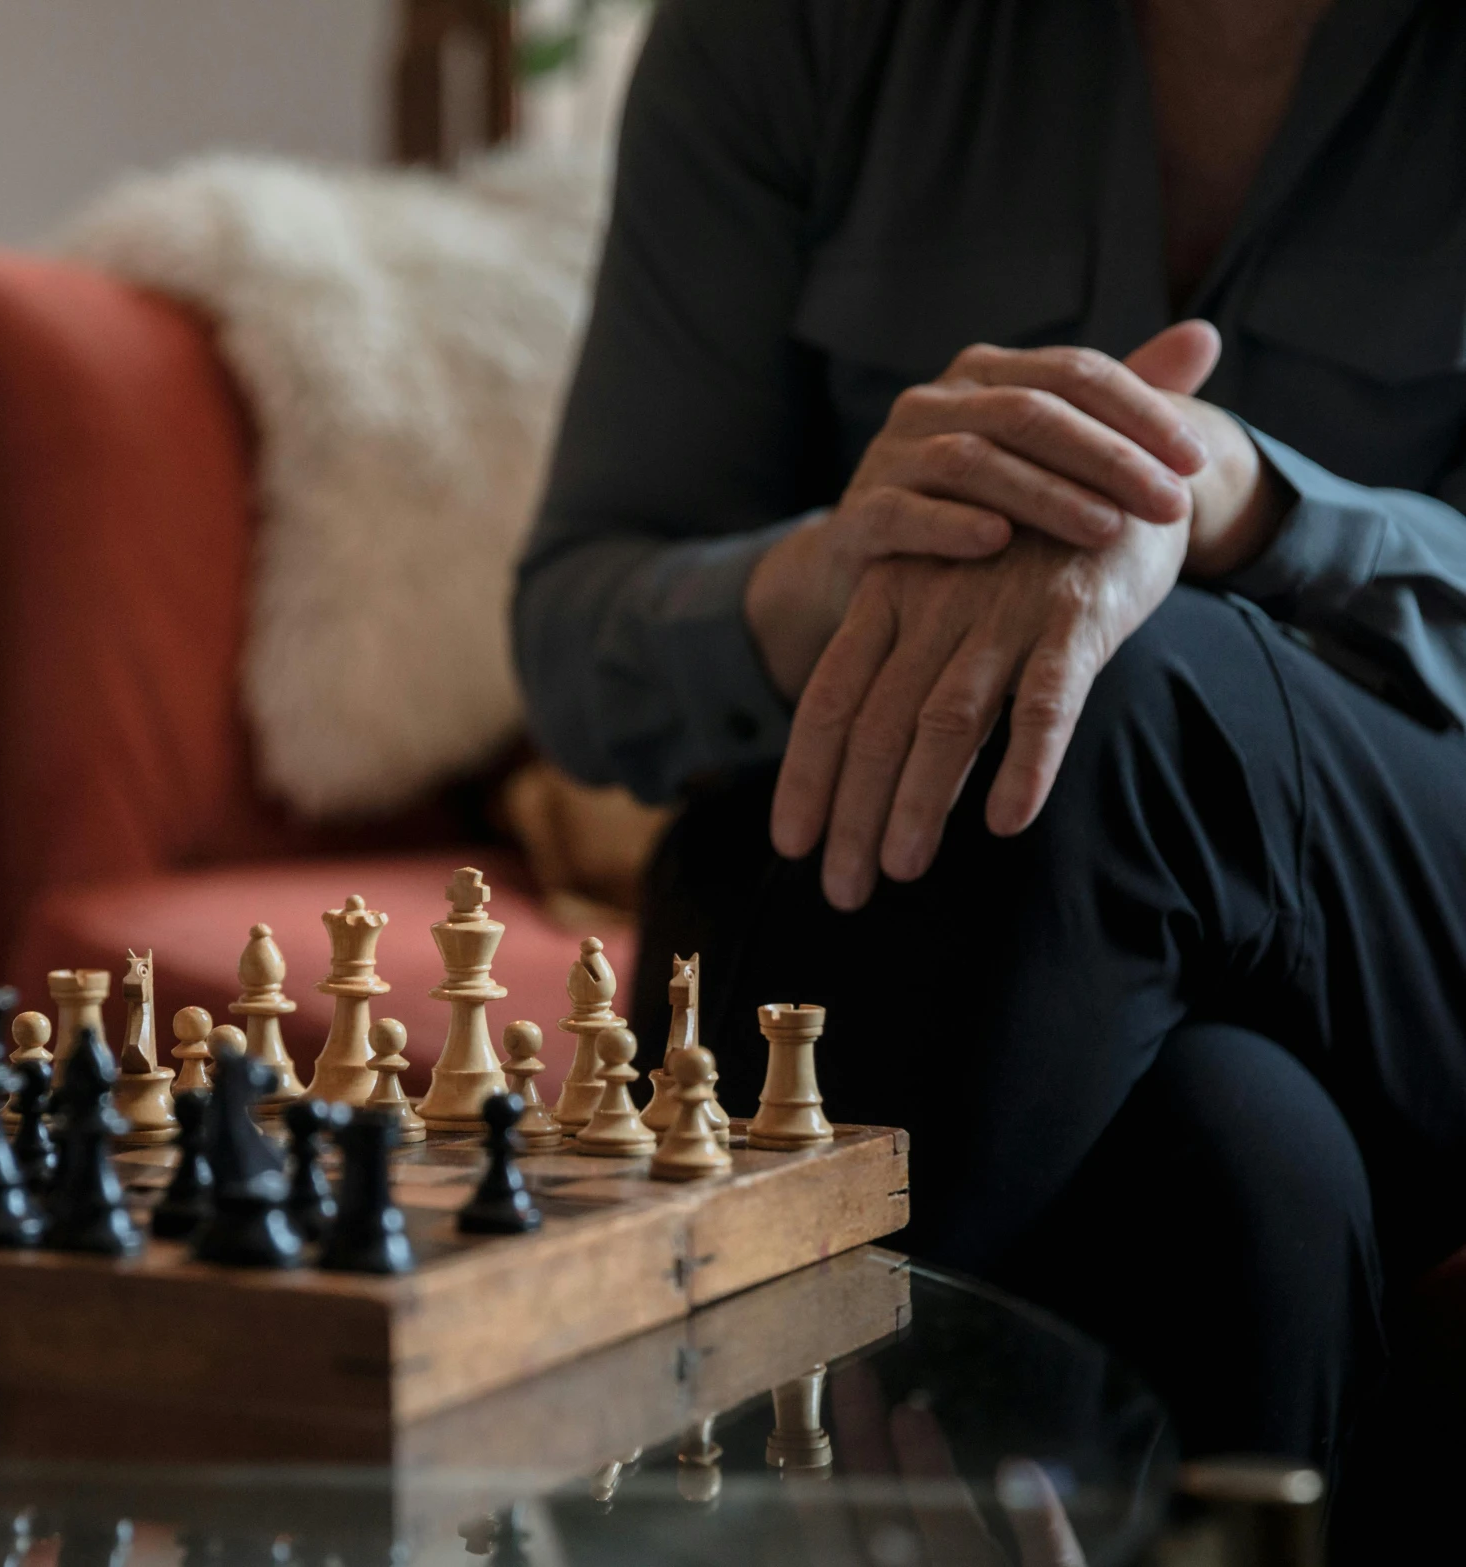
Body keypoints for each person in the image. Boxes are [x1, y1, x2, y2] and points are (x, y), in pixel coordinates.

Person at [514, 0, 1466, 1479]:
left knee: (1107, 688)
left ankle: (759, 1467)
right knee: (1247, 1170)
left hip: (1410, 903)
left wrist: (1241, 510)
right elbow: (577, 637)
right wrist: (851, 565)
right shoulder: (789, 34)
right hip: (911, 896)